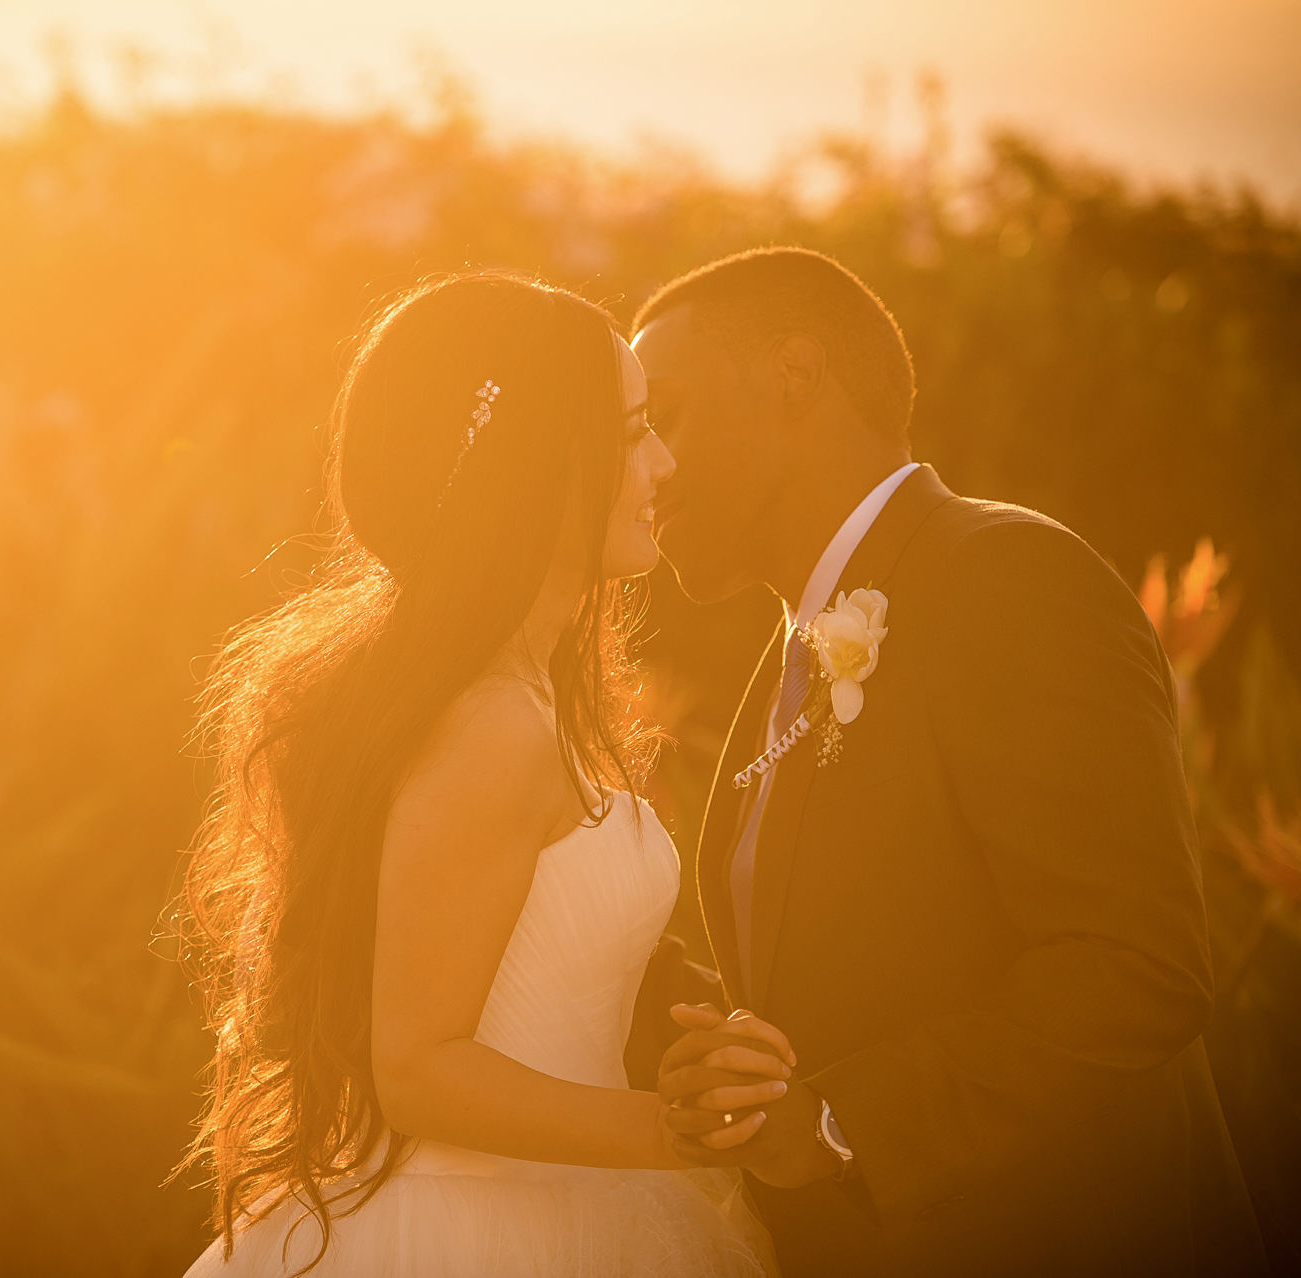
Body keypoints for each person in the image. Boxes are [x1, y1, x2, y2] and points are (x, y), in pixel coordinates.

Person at [628, 246, 1269, 1277]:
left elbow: (1135, 966)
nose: (648, 467)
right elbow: (839, 972)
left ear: (795, 377)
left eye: (667, 415)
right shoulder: (785, 661)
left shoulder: (1008, 577)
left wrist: (841, 1121)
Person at [173, 271, 784, 1276]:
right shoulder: (492, 724)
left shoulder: (497, 695)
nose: (663, 464)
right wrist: (670, 1133)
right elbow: (416, 1069)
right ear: (543, 470)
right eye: (635, 432)